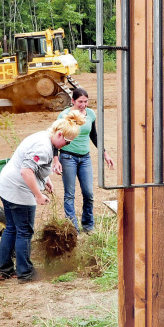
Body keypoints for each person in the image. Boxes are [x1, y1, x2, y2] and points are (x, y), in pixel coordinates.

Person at [0, 110, 85, 283]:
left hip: (6, 186)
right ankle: (25, 273)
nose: (66, 145)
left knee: (12, 228)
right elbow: (26, 170)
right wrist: (38, 194)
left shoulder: (45, 136)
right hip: (18, 191)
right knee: (24, 231)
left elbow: (36, 167)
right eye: (67, 141)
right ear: (59, 134)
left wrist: (45, 179)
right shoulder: (44, 147)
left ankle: (3, 269)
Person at [52, 88, 115, 233]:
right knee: (70, 195)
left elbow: (94, 135)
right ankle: (73, 229)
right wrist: (56, 160)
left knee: (88, 193)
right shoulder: (64, 115)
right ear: (73, 101)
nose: (83, 104)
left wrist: (105, 153)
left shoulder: (91, 114)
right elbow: (55, 138)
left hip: (85, 158)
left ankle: (88, 225)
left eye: (86, 101)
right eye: (80, 102)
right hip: (68, 157)